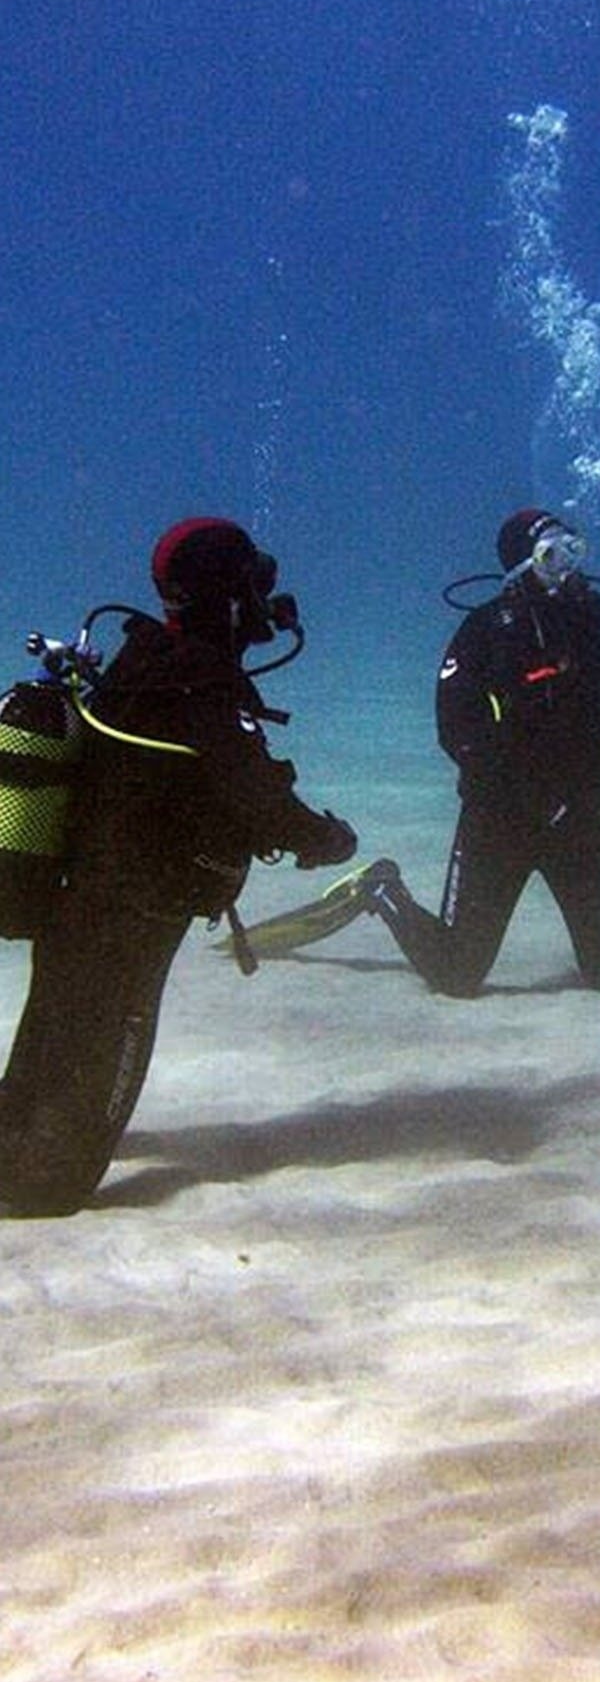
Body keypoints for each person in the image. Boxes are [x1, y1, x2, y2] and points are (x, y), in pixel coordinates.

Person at [0, 518, 357, 1216]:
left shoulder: (144, 657)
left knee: (50, 1039)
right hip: (135, 911)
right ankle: (33, 1184)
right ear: (229, 595)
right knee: (70, 1136)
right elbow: (258, 800)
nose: (264, 601)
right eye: (254, 583)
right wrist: (328, 839)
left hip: (80, 894)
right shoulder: (203, 682)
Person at [244, 508, 600, 995]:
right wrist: (530, 794)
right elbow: (457, 730)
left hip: (586, 816)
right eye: (552, 557)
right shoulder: (486, 631)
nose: (568, 569)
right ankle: (381, 889)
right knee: (457, 974)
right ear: (522, 566)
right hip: (501, 820)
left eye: (574, 551)